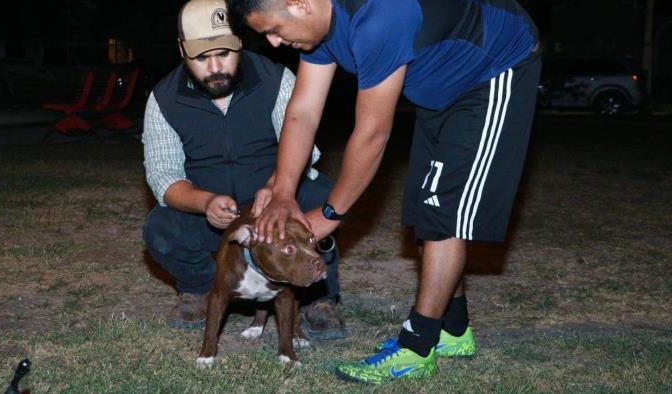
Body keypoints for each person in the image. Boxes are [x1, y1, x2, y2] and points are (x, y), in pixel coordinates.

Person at [227, 0, 541, 383]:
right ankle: (454, 330)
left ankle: (416, 347)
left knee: (445, 216)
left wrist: (329, 215)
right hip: (443, 82)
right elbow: (304, 111)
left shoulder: (381, 16)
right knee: (428, 210)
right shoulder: (318, 29)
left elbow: (372, 134)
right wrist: (284, 192)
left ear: (299, 4)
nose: (274, 42)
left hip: (492, 67)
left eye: (272, 30)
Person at [141, 0, 346, 340]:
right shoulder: (163, 99)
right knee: (160, 227)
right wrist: (205, 202)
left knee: (319, 192)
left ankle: (318, 297)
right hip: (213, 212)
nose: (215, 66)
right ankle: (202, 287)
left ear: (239, 41)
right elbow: (163, 177)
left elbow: (305, 148)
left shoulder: (274, 79)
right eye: (201, 57)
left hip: (275, 205)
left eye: (224, 53)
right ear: (181, 50)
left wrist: (277, 186)